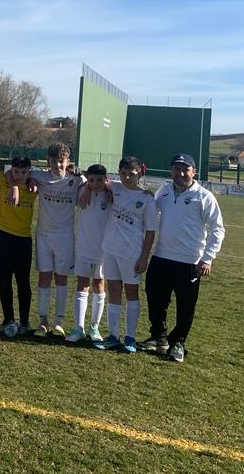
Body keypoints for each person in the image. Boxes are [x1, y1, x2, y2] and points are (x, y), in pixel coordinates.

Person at [141, 153, 225, 363]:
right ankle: (159, 336)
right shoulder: (165, 191)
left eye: (185, 169)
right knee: (154, 297)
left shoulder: (204, 196)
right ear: (171, 171)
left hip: (190, 261)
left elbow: (217, 229)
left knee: (186, 306)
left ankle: (178, 342)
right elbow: (150, 209)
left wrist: (207, 258)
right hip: (161, 256)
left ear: (193, 172)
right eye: (176, 169)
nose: (180, 173)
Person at [92, 157, 157, 354]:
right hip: (110, 249)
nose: (127, 178)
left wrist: (144, 257)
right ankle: (113, 335)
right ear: (118, 173)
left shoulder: (146, 198)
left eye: (132, 174)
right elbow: (92, 181)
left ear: (140, 173)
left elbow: (151, 231)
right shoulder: (115, 188)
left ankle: (130, 337)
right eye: (123, 174)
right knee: (113, 290)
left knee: (131, 293)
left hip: (132, 253)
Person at [30, 142, 85, 335]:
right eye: (54, 162)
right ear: (48, 161)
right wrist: (32, 182)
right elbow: (20, 172)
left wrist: (81, 175)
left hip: (65, 237)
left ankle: (59, 323)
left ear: (68, 161)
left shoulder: (77, 179)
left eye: (62, 162)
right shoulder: (40, 176)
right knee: (44, 277)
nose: (58, 166)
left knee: (61, 279)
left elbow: (94, 182)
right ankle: (43, 320)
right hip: (44, 235)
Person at [0, 157, 38, 337]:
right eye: (16, 171)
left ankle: (24, 322)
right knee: (4, 279)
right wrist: (13, 184)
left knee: (23, 282)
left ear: (29, 171)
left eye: (24, 172)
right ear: (11, 170)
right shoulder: (4, 179)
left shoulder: (34, 186)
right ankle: (7, 318)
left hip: (23, 239)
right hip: (3, 236)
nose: (20, 175)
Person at [65, 164, 110, 343]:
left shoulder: (111, 191)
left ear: (106, 180)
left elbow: (120, 186)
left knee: (99, 284)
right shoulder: (82, 188)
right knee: (82, 283)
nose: (95, 183)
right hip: (84, 245)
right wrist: (86, 187)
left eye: (100, 180)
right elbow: (77, 173)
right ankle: (79, 328)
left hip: (103, 248)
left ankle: (94, 328)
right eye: (92, 180)